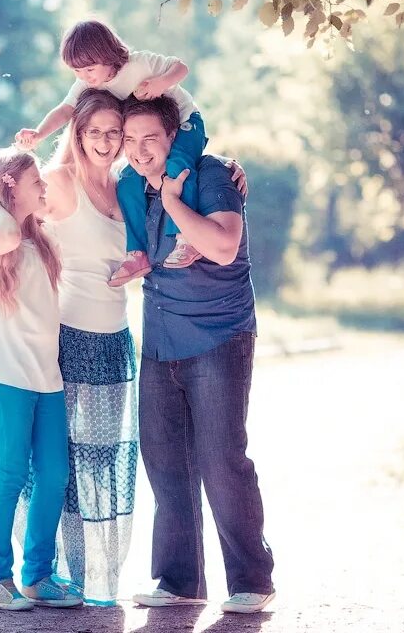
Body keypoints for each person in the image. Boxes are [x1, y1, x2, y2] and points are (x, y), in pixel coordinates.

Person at [0, 90, 247, 606]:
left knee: (93, 468)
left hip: (117, 340)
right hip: (66, 340)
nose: (107, 141)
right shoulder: (56, 183)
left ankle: (86, 577)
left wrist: (225, 167)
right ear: (75, 133)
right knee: (47, 468)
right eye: (94, 130)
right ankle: (25, 572)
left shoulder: (129, 185)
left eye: (113, 132)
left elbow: (183, 150)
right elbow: (7, 223)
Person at [122, 95, 276, 614]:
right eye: (130, 141)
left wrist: (173, 203)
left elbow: (224, 246)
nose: (140, 151)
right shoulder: (133, 188)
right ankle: (179, 580)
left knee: (220, 458)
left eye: (151, 139)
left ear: (172, 137)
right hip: (161, 338)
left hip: (218, 335)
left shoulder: (210, 177)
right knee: (165, 462)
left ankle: (253, 579)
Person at [0, 147, 82, 611]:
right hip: (6, 373)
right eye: (35, 182)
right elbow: (5, 236)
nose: (44, 188)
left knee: (53, 474)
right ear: (12, 185)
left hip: (45, 375)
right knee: (11, 471)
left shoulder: (38, 237)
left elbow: (63, 180)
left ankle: (38, 576)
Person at [15, 19, 211, 286]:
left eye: (89, 69)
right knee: (129, 181)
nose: (85, 77)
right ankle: (137, 253)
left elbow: (181, 67)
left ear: (107, 54)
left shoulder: (139, 64)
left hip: (185, 123)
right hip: (151, 138)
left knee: (177, 166)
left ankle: (186, 239)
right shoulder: (88, 85)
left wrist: (160, 83)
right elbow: (65, 110)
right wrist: (39, 133)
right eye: (77, 71)